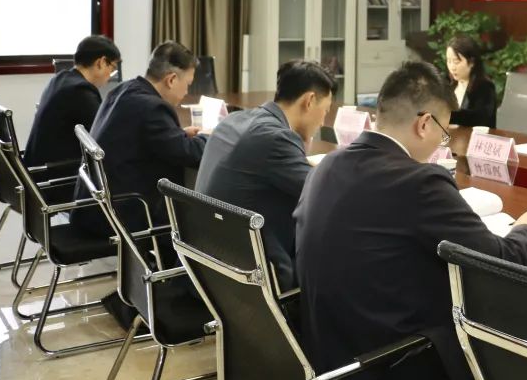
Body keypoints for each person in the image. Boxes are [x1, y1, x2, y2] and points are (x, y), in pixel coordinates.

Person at [294, 61, 527, 380]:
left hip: (323, 360)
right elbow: (498, 260)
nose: (442, 142)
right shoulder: (419, 181)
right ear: (424, 123)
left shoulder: (327, 166)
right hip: (392, 368)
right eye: (444, 132)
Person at [194, 60, 335, 291]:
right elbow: (324, 194)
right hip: (252, 278)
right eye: (325, 111)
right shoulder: (276, 138)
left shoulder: (234, 120)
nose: (322, 121)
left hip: (211, 263)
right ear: (309, 101)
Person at [72, 41, 207, 239]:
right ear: (171, 79)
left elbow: (147, 137)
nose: (187, 92)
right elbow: (189, 154)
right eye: (187, 84)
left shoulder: (124, 89)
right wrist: (210, 137)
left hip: (94, 207)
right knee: (199, 225)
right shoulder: (153, 108)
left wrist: (179, 134)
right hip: (121, 216)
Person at [24, 35, 120, 179]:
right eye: (112, 68)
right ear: (101, 62)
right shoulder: (81, 92)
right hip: (55, 177)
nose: (110, 75)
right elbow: (104, 136)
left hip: (35, 172)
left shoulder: (60, 79)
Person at [445, 34, 496, 128]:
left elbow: (479, 118)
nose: (452, 67)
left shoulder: (484, 87)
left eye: (456, 62)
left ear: (471, 62)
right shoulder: (447, 83)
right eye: (449, 61)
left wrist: (447, 115)